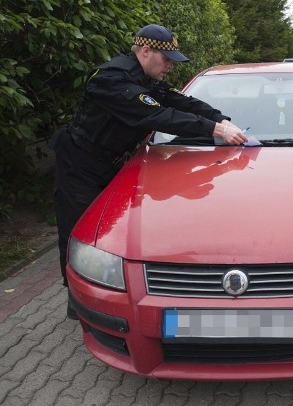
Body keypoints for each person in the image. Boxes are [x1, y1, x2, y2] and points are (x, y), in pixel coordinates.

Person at [50, 24, 248, 318]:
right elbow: (157, 115)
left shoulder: (144, 78)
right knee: (79, 230)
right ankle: (78, 302)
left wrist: (219, 117)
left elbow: (179, 101)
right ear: (145, 51)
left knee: (110, 231)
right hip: (80, 161)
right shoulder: (113, 80)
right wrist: (214, 129)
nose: (170, 66)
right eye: (167, 59)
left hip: (110, 161)